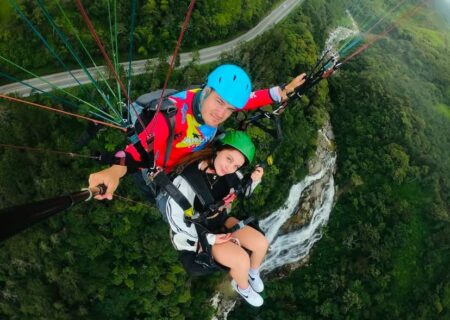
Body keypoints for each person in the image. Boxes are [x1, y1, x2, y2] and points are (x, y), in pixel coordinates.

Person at [89, 64, 306, 200]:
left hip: (187, 159)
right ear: (207, 90)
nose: (222, 113)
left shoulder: (214, 99)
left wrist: (281, 93)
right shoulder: (171, 117)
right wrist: (113, 172)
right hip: (159, 170)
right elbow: (137, 153)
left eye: (230, 109)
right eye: (220, 102)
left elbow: (247, 100)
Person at [160, 130, 268, 307]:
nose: (230, 168)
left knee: (261, 244)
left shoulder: (231, 175)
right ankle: (243, 287)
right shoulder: (187, 181)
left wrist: (254, 180)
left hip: (219, 220)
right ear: (219, 150)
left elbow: (242, 191)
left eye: (236, 166)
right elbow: (175, 220)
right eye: (229, 159)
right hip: (198, 234)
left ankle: (253, 273)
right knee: (241, 260)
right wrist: (210, 238)